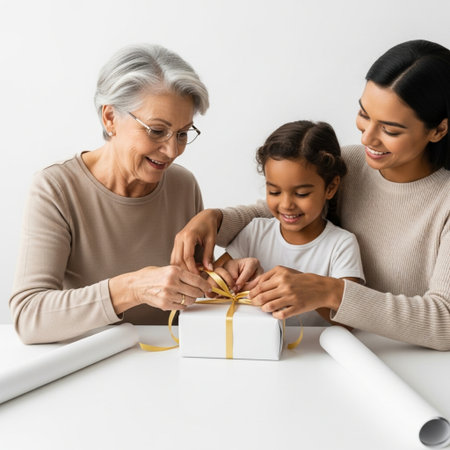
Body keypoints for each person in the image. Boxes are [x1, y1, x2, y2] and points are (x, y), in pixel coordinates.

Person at [171, 39, 450, 350]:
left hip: (417, 364)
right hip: (340, 353)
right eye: (364, 114)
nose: (367, 136)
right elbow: (278, 209)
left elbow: (445, 322)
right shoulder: (353, 164)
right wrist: (214, 219)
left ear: (438, 129)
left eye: (391, 130)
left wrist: (328, 292)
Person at [9, 44, 257, 344]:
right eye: (156, 130)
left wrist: (222, 277)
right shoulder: (56, 188)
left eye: (182, 133)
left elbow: (191, 291)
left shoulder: (182, 185)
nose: (172, 151)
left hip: (171, 362)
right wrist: (133, 288)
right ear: (110, 118)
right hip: (89, 367)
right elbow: (29, 316)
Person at [214, 120, 365, 326]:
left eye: (302, 193)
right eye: (274, 192)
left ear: (330, 187)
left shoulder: (341, 244)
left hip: (316, 352)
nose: (286, 204)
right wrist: (228, 278)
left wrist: (309, 292)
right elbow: (210, 286)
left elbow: (351, 321)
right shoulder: (255, 232)